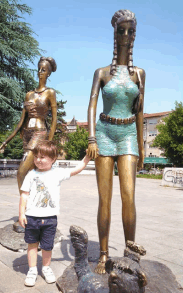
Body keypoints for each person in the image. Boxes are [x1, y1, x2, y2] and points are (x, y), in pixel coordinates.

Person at [87, 9, 145, 274]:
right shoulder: (101, 72)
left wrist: (142, 149)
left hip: (129, 135)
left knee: (129, 196)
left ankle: (130, 253)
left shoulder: (140, 74)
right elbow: (91, 105)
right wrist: (91, 138)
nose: (125, 35)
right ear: (114, 33)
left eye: (130, 30)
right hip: (105, 134)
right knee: (105, 198)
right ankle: (102, 254)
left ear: (135, 34)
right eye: (121, 30)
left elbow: (140, 112)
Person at [19, 140, 91, 286]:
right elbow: (24, 194)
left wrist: (87, 158)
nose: (38, 160)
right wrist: (21, 213)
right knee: (32, 245)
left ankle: (46, 268)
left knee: (47, 246)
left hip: (50, 219)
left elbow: (76, 169)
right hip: (32, 218)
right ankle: (32, 270)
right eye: (37, 156)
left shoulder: (57, 173)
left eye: (43, 157)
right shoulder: (31, 175)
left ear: (53, 159)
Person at [0, 57, 57, 193]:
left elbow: (54, 119)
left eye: (44, 70)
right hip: (27, 135)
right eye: (39, 69)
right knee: (32, 173)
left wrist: (49, 142)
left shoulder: (50, 93)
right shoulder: (28, 94)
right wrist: (6, 141)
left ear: (48, 73)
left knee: (21, 172)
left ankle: (25, 207)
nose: (40, 72)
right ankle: (33, 205)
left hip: (40, 133)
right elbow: (21, 121)